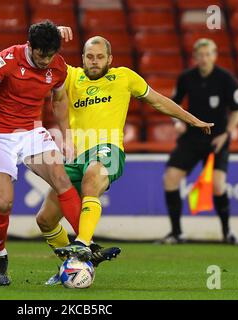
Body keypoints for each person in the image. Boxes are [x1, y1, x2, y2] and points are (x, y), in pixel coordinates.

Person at [36, 30, 215, 285]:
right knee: (45, 220)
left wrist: (192, 119)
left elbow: (159, 101)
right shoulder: (71, 76)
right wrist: (55, 30)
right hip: (77, 155)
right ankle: (75, 262)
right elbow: (40, 50)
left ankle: (82, 244)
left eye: (100, 57)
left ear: (109, 59)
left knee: (92, 176)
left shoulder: (124, 77)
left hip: (108, 150)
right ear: (83, 58)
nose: (94, 61)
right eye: (89, 57)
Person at [0, 21, 84, 286]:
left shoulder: (58, 66)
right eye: (41, 55)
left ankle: (84, 244)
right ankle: (0, 254)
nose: (45, 61)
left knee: (62, 180)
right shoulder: (9, 59)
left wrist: (66, 137)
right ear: (30, 46)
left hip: (32, 132)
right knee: (4, 203)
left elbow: (60, 99)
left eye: (50, 55)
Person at [159, 38, 238, 245]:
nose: (204, 59)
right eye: (201, 55)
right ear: (195, 57)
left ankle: (227, 233)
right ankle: (176, 233)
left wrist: (227, 134)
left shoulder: (226, 79)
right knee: (170, 178)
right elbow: (173, 105)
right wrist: (177, 122)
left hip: (217, 139)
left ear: (214, 56)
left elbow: (237, 112)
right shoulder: (186, 78)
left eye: (208, 54)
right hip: (192, 136)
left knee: (217, 184)